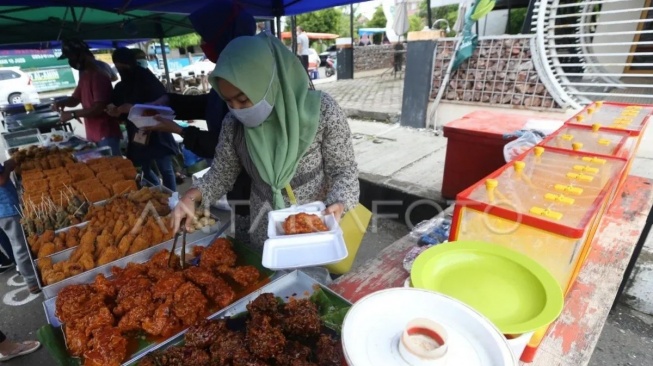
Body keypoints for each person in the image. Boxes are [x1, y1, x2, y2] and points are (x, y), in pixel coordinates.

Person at [172, 33, 360, 250]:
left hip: (316, 227)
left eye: (242, 99)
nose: (238, 109)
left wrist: (339, 203)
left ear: (268, 82)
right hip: (265, 228)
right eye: (229, 101)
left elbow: (344, 170)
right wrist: (192, 196)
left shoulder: (322, 112)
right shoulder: (233, 125)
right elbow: (221, 174)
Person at [145, 0, 255, 214]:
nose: (203, 43)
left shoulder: (250, 77)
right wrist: (169, 101)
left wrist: (178, 130)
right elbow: (211, 103)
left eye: (207, 37)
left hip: (255, 191)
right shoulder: (225, 76)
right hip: (237, 188)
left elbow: (227, 146)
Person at [106, 48, 178, 192]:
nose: (122, 69)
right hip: (137, 133)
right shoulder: (121, 86)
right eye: (119, 66)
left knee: (165, 168)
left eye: (124, 65)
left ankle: (173, 198)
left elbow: (162, 103)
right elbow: (116, 105)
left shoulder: (148, 79)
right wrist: (115, 111)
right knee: (141, 168)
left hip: (158, 129)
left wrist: (133, 107)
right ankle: (159, 190)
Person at [52, 39, 122, 156]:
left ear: (83, 54)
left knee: (116, 169)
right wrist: (61, 102)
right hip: (93, 132)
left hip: (106, 132)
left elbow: (99, 107)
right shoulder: (85, 75)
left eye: (72, 57)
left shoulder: (98, 75)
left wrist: (72, 114)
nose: (71, 61)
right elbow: (75, 99)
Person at [0, 159, 39, 293]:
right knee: (20, 246)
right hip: (6, 210)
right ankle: (32, 281)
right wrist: (7, 167)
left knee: (18, 243)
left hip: (5, 209)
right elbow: (1, 180)